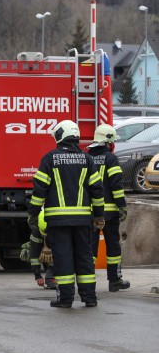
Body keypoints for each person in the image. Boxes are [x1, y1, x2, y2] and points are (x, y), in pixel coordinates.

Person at [28, 120, 104, 308]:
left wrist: (33, 213)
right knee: (84, 256)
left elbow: (40, 191)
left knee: (63, 257)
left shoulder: (49, 159)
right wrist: (99, 215)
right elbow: (97, 190)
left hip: (58, 221)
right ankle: (90, 297)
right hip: (82, 221)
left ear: (59, 136)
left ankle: (66, 298)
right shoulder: (88, 159)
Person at [87, 124, 130, 292]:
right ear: (109, 142)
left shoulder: (86, 157)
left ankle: (87, 281)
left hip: (90, 211)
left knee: (90, 246)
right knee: (113, 245)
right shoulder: (111, 159)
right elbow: (116, 185)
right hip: (110, 213)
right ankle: (114, 280)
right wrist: (122, 206)